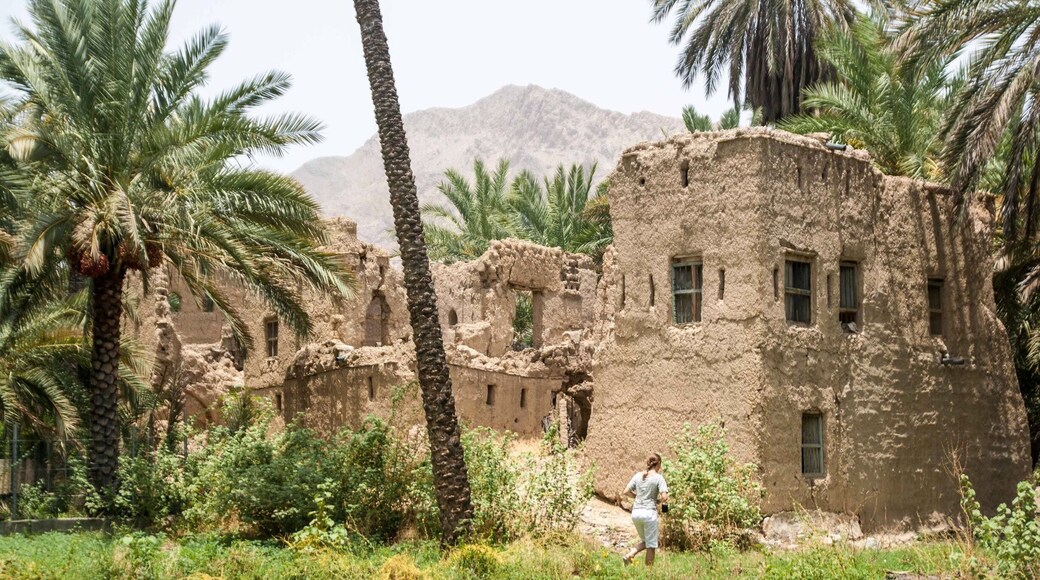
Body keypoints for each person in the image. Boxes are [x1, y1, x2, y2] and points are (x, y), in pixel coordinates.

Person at [622, 452, 668, 567]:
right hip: (649, 513)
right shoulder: (658, 478)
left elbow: (626, 491)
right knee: (651, 545)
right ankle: (649, 574)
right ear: (659, 464)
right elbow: (664, 497)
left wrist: (637, 497)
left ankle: (629, 555)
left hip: (636, 513)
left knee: (646, 541)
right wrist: (660, 505)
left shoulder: (638, 476)